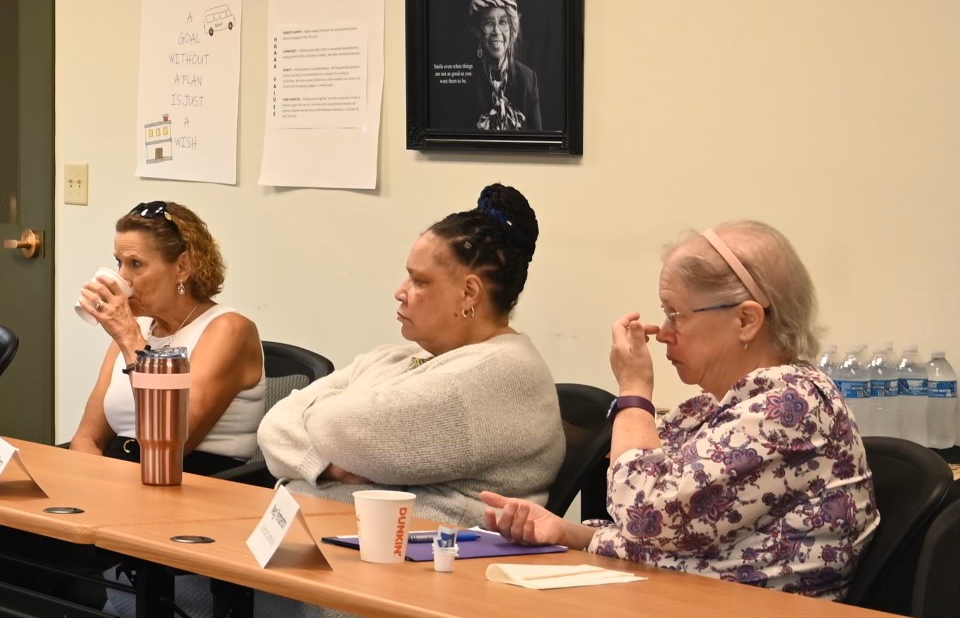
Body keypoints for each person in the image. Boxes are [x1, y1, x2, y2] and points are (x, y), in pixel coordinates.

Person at [481, 222, 871, 596]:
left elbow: (644, 512)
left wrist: (634, 388)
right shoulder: (713, 407)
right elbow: (665, 539)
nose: (663, 333)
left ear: (746, 320)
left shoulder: (791, 405)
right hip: (690, 613)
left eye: (677, 314)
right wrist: (567, 532)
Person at [257, 184, 564, 526]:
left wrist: (313, 428)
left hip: (438, 563)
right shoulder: (398, 358)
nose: (400, 292)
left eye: (420, 281)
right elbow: (273, 425)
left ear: (469, 293)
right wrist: (325, 465)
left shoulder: (501, 373)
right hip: (352, 545)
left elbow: (335, 426)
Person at [67, 200, 269, 478]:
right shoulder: (136, 330)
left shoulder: (228, 329)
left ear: (182, 267)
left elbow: (174, 441)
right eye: (119, 263)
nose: (122, 278)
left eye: (136, 264)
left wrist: (129, 339)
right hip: (116, 480)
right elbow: (86, 439)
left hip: (188, 485)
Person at [466, 0, 546, 134]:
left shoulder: (528, 79)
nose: (497, 31)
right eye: (488, 23)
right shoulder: (467, 79)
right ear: (478, 31)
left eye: (503, 22)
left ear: (512, 29)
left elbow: (539, 142)